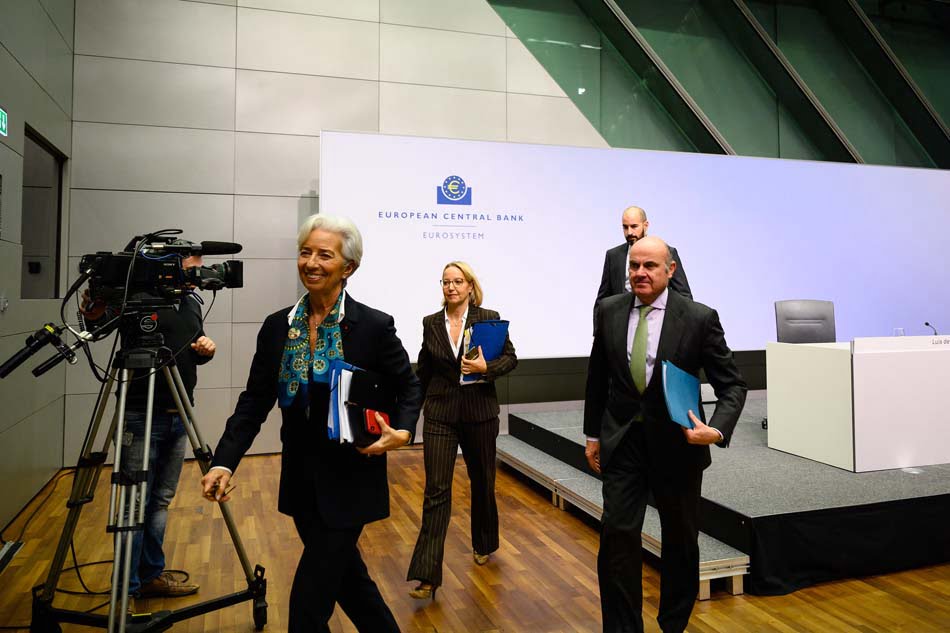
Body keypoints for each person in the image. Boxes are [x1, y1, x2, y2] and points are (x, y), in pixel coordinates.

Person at [200, 214, 422, 633]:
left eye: (325, 255)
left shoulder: (373, 326)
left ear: (348, 267)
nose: (312, 263)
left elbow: (409, 386)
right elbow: (254, 402)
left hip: (353, 476)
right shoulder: (277, 327)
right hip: (301, 480)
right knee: (351, 583)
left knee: (307, 604)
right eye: (306, 252)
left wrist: (404, 431)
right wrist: (224, 462)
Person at [584, 236, 746, 633]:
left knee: (680, 540)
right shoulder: (609, 310)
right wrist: (592, 435)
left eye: (650, 266)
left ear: (670, 270)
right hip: (623, 442)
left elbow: (732, 385)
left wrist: (717, 429)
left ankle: (673, 624)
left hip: (678, 446)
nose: (640, 273)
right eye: (634, 266)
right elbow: (597, 377)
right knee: (617, 535)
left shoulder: (698, 318)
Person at [81, 255, 216, 600]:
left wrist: (205, 349)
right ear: (168, 268)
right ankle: (126, 589)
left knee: (160, 501)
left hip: (180, 413)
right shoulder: (137, 298)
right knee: (134, 503)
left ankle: (150, 575)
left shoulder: (192, 302)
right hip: (141, 415)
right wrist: (93, 307)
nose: (196, 274)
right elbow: (96, 326)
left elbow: (190, 347)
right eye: (190, 268)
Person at [406, 261, 517, 600]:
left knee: (482, 481)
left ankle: (484, 543)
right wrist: (407, 418)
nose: (451, 287)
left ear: (470, 285)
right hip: (440, 414)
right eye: (445, 282)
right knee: (436, 490)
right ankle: (427, 575)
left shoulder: (488, 319)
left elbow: (510, 358)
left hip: (479, 413)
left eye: (457, 281)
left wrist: (486, 368)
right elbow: (424, 373)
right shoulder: (431, 323)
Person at [595, 205, 692, 305]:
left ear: (645, 225)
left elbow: (684, 296)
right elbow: (602, 300)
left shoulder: (667, 252)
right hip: (622, 313)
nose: (629, 232)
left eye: (634, 226)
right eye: (625, 227)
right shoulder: (613, 256)